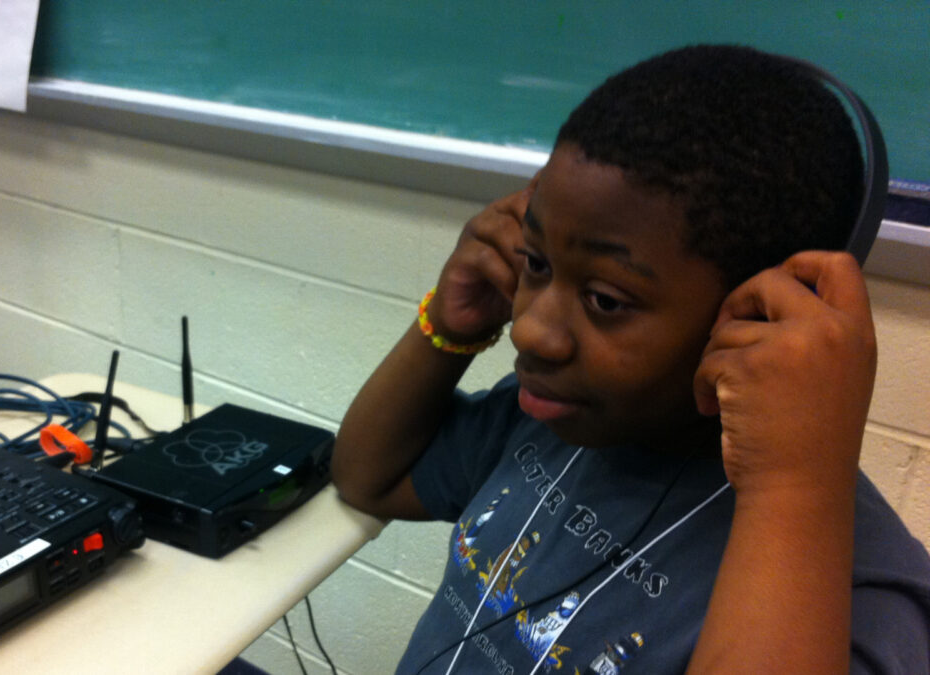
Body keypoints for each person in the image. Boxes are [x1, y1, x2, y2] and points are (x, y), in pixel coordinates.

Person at [332, 45, 930, 674]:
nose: (530, 330)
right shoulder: (552, 420)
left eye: (605, 300)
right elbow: (367, 478)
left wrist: (793, 487)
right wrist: (447, 331)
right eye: (536, 262)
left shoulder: (865, 600)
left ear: (758, 313)